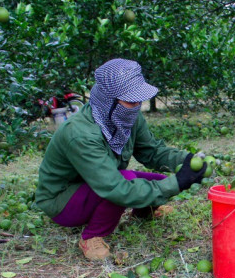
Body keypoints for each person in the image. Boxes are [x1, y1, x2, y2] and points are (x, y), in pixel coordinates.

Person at [35, 59, 206, 260]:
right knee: (126, 181)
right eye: (131, 101)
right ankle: (92, 237)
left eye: (138, 101)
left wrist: (186, 160)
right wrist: (176, 183)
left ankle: (143, 213)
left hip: (93, 183)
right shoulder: (80, 134)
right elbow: (113, 187)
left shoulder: (125, 115)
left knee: (157, 181)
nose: (136, 106)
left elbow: (151, 152)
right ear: (109, 100)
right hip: (63, 202)